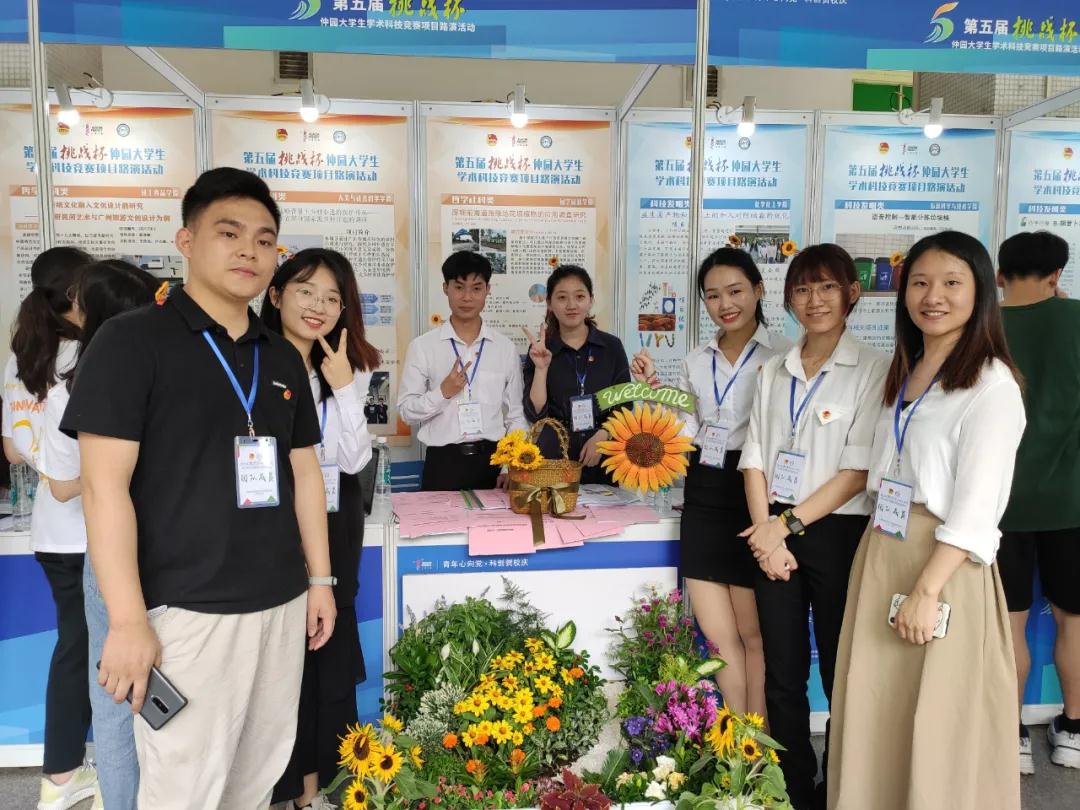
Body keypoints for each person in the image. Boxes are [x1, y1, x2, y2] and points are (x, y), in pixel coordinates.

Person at [59, 167, 337, 810]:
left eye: (264, 240)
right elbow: (103, 490)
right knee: (183, 786)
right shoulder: (131, 341)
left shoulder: (280, 354)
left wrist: (320, 580)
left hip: (279, 602)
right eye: (229, 233)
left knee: (255, 778)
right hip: (186, 611)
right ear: (186, 241)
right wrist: (127, 621)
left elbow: (303, 471)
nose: (249, 251)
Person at [828, 231, 1025, 809]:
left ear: (981, 292)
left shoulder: (992, 384)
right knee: (877, 710)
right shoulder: (907, 371)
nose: (932, 296)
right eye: (919, 283)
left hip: (940, 566)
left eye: (951, 283)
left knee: (938, 719)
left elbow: (977, 507)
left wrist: (927, 590)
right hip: (884, 549)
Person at [738, 244, 889, 810]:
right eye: (802, 289)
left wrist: (784, 525)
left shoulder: (873, 367)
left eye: (827, 287)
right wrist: (766, 532)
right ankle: (793, 787)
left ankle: (842, 786)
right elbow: (754, 456)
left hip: (836, 531)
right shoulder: (774, 368)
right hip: (771, 529)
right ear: (788, 300)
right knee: (782, 670)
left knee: (840, 666)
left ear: (852, 292)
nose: (815, 300)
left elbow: (857, 471)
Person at [630, 247, 788, 717]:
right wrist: (655, 393)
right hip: (704, 492)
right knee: (719, 638)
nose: (725, 304)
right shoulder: (697, 360)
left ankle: (761, 740)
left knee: (754, 635)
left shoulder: (784, 355)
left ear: (758, 290)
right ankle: (737, 738)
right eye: (713, 296)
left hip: (756, 492)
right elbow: (687, 428)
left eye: (735, 291)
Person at [262, 248, 380, 810]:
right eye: (306, 291)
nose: (319, 306)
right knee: (283, 659)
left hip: (334, 526)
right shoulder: (253, 362)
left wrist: (345, 387)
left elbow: (354, 460)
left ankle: (321, 787)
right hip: (272, 527)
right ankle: (285, 786)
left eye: (332, 298)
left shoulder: (344, 368)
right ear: (276, 294)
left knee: (328, 654)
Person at [40, 260, 159, 810]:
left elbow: (67, 483)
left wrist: (103, 477)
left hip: (117, 552)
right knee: (130, 698)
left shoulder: (76, 380)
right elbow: (75, 486)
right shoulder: (145, 371)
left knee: (119, 698)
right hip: (139, 550)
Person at [1, 246, 101, 810]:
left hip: (52, 532)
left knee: (75, 648)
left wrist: (48, 465)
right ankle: (74, 776)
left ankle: (64, 775)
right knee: (93, 652)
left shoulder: (22, 355)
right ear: (77, 294)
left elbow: (12, 449)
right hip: (96, 529)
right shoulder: (89, 352)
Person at [996, 230, 1080, 773]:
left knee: (1008, 623)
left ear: (998, 276)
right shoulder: (1076, 318)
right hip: (1071, 501)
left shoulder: (981, 325)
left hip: (997, 505)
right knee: (1074, 620)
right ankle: (1074, 731)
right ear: (1057, 275)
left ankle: (1012, 740)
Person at [399, 251, 527, 491]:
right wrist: (442, 393)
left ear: (488, 290)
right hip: (443, 464)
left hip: (494, 463)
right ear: (445, 288)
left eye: (476, 288)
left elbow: (516, 415)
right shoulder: (422, 347)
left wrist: (511, 465)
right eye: (459, 287)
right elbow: (407, 412)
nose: (467, 297)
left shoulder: (504, 348)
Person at [523, 265, 630, 484]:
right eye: (562, 297)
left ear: (591, 300)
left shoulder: (611, 347)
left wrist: (604, 435)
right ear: (549, 303)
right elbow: (535, 413)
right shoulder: (541, 349)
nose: (571, 305)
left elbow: (625, 406)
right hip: (554, 459)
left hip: (603, 456)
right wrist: (541, 369)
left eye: (579, 296)